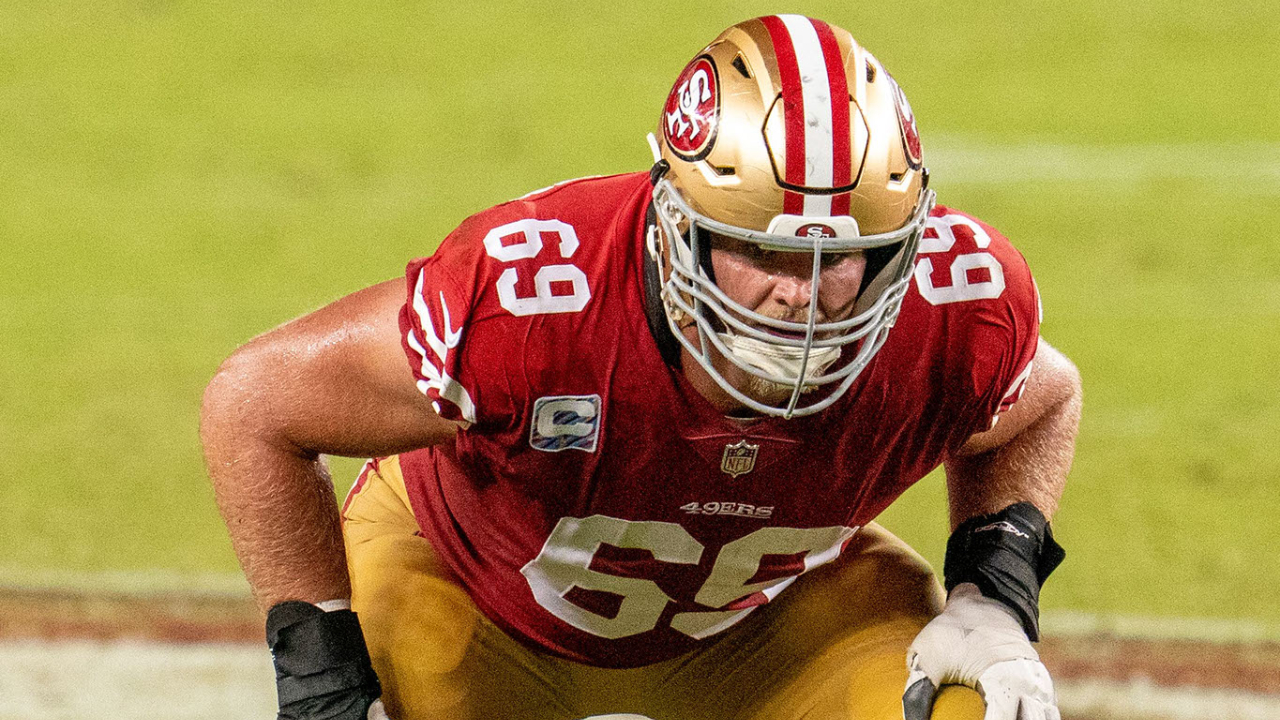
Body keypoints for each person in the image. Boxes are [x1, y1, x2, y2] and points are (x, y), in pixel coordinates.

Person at [201, 14, 1081, 720]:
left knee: (978, 704)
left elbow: (1044, 401)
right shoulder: (537, 299)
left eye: (841, 259)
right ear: (677, 225)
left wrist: (993, 597)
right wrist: (319, 671)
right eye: (760, 253)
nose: (803, 297)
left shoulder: (955, 310)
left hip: (762, 623)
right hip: (473, 596)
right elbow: (255, 404)